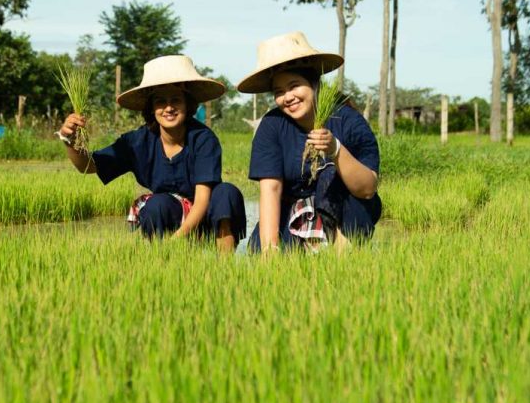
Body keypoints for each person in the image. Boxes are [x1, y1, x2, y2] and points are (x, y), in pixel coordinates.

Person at [58, 55, 246, 252]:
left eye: (176, 99)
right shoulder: (137, 142)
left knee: (226, 193)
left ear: (187, 104)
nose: (168, 108)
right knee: (156, 204)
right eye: (160, 101)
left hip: (207, 218)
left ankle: (223, 267)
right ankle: (160, 262)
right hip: (170, 215)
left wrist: (176, 240)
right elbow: (88, 166)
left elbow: (201, 201)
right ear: (151, 107)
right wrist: (69, 140)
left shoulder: (203, 139)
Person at [237, 31, 382, 253]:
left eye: (294, 85)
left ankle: (342, 257)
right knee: (260, 250)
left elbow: (368, 189)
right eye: (279, 91)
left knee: (332, 175)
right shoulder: (272, 125)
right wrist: (269, 250)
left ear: (314, 83)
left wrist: (336, 149)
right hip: (293, 211)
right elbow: (271, 189)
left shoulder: (348, 120)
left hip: (343, 212)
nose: (288, 97)